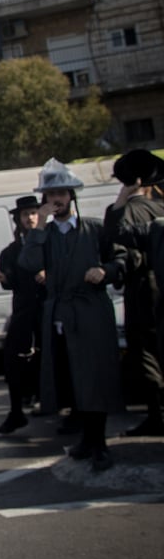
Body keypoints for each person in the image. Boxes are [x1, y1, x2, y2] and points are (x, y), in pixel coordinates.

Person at [20, 158, 125, 471]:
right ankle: (87, 439)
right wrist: (38, 228)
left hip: (92, 310)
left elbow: (120, 258)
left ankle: (99, 443)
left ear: (72, 196)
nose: (58, 200)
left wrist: (104, 270)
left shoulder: (93, 228)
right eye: (52, 195)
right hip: (62, 314)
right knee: (74, 378)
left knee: (96, 377)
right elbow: (28, 263)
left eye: (62, 194)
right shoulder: (46, 235)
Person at [102, 148, 164, 437]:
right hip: (158, 285)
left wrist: (122, 199)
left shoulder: (128, 210)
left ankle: (157, 414)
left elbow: (116, 235)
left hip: (142, 288)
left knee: (145, 351)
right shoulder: (160, 208)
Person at [0, 196, 45, 434]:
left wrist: (49, 273)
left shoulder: (49, 242)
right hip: (24, 310)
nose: (30, 218)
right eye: (25, 215)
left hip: (49, 309)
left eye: (34, 213)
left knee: (52, 357)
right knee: (13, 358)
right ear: (18, 220)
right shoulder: (10, 251)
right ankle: (16, 412)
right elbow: (11, 281)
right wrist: (5, 278)